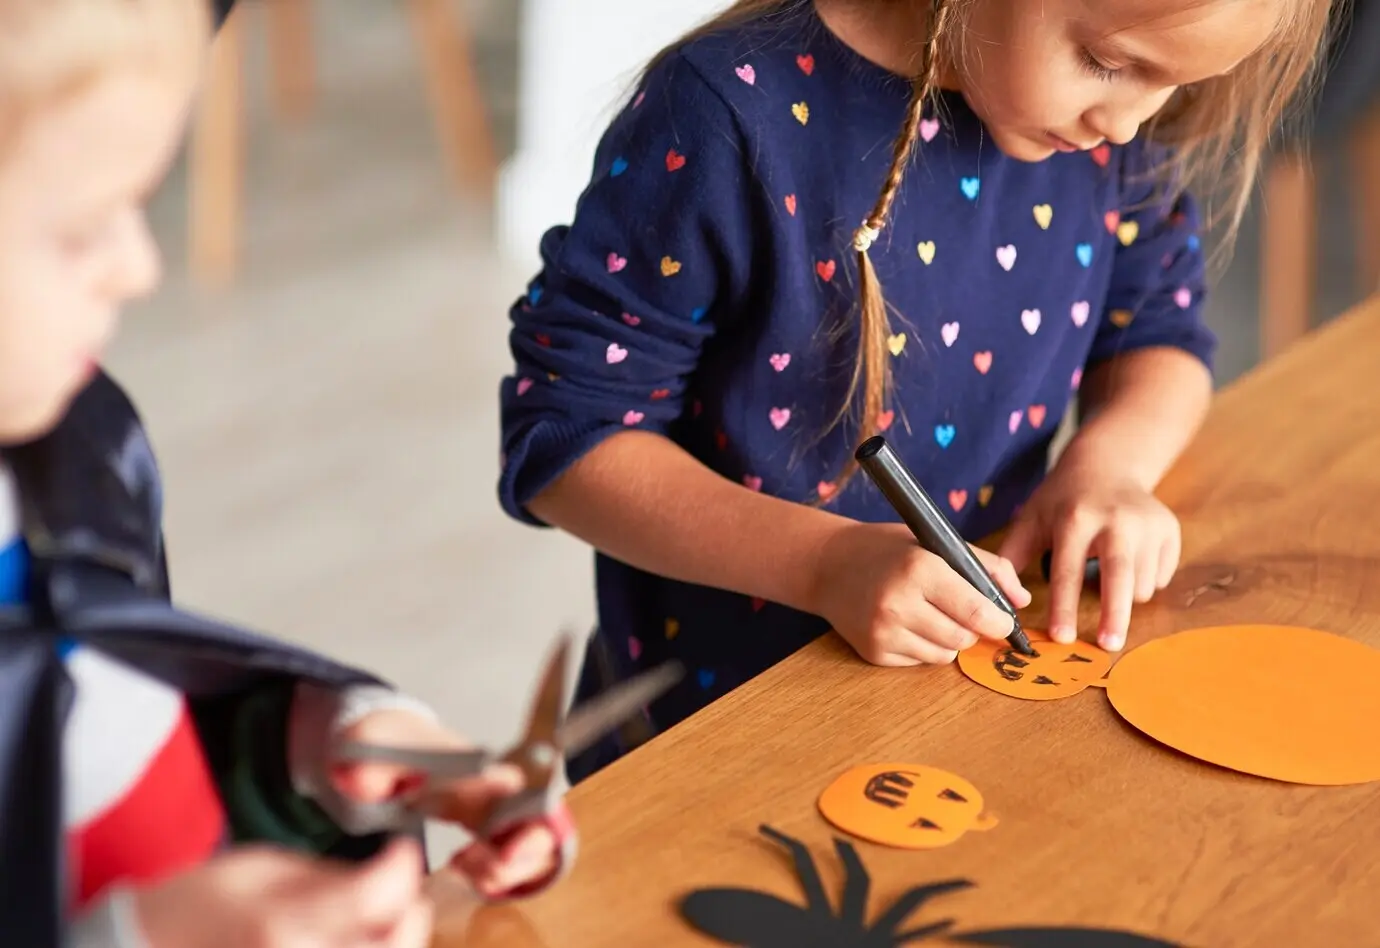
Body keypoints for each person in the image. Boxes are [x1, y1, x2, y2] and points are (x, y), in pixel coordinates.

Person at [497, 0, 1333, 782]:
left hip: (960, 717)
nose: (1126, 122)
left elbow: (1162, 335)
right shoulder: (725, 113)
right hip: (711, 735)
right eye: (1105, 63)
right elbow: (567, 440)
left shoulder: (1102, 134)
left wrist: (1110, 466)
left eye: (1176, 84)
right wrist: (826, 565)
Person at [0, 1, 567, 944]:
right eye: (81, 228)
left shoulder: (72, 450)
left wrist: (321, 747)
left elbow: (105, 727)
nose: (140, 267)